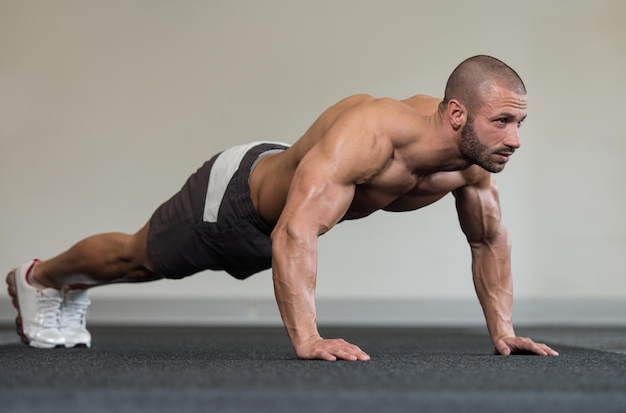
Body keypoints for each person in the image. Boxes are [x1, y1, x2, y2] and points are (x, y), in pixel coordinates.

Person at [6, 55, 559, 359]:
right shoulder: (370, 135)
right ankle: (42, 277)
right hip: (237, 199)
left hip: (282, 210)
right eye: (503, 122)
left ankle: (63, 286)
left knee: (143, 260)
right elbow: (296, 232)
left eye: (519, 123)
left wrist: (503, 329)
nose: (514, 139)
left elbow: (489, 239)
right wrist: (308, 338)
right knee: (139, 258)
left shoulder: (471, 163)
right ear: (458, 114)